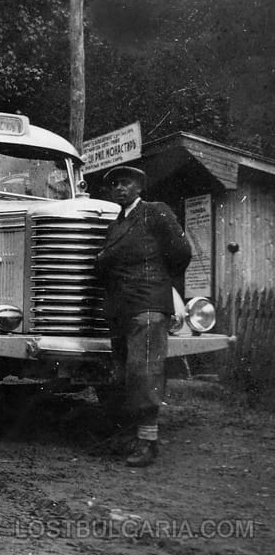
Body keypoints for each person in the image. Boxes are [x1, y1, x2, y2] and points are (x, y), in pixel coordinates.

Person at [95, 166, 192, 468]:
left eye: (127, 183)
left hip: (147, 305)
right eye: (115, 185)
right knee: (124, 375)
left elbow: (181, 252)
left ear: (139, 187)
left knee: (144, 373)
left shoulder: (154, 212)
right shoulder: (116, 223)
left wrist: (157, 283)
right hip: (122, 310)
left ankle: (148, 442)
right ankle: (127, 436)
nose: (120, 189)